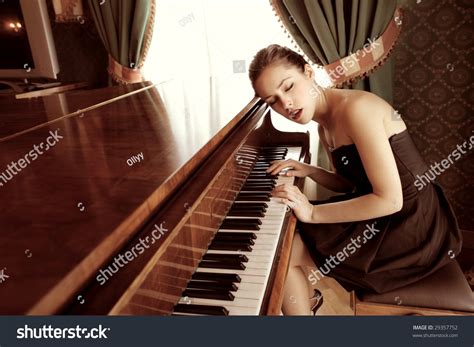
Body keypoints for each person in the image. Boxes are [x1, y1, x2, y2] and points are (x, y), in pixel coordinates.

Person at [248, 44, 462, 315]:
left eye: (288, 87)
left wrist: (312, 212)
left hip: (413, 226)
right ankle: (307, 303)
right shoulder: (323, 125)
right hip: (386, 215)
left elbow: (390, 199)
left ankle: (307, 307)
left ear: (308, 72)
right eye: (272, 101)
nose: (285, 104)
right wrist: (311, 171)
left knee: (283, 252)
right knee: (284, 240)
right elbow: (351, 184)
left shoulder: (356, 110)